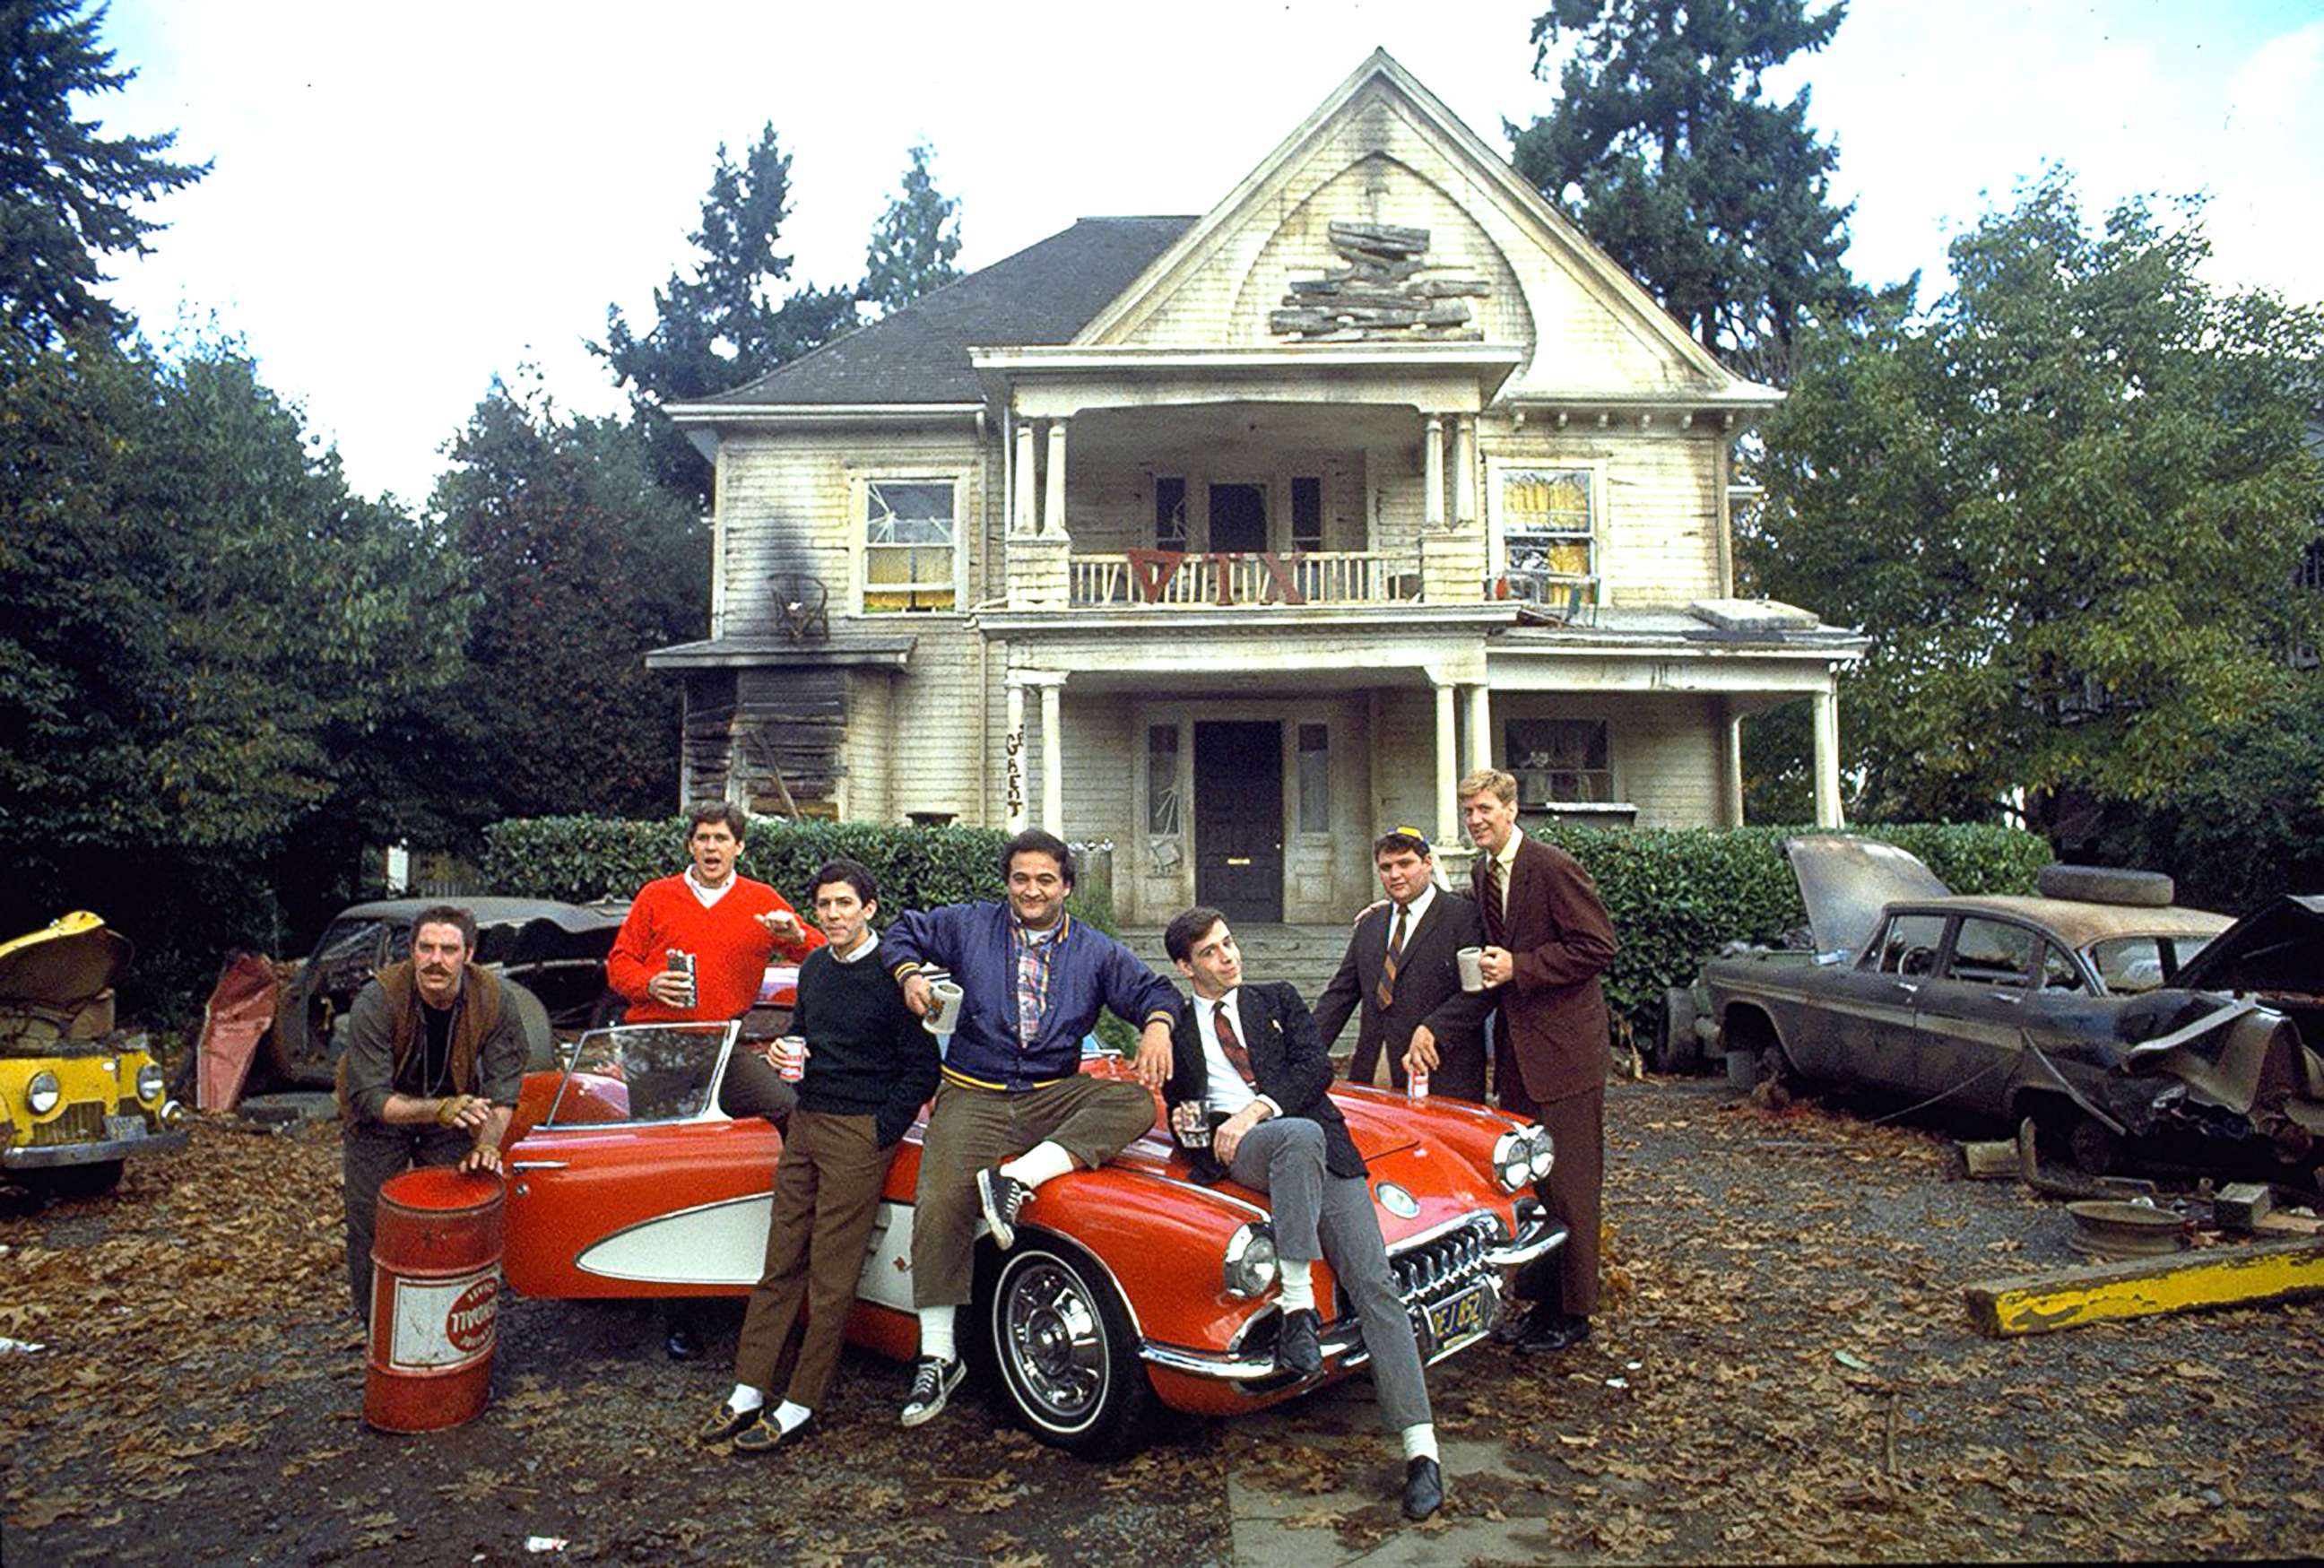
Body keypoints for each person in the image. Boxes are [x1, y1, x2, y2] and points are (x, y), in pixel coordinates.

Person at [882, 828, 1177, 1428]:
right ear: (1008, 882)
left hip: (1051, 1093)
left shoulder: (1094, 949)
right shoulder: (969, 925)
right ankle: (939, 1354)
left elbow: (1152, 989)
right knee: (940, 1199)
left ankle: (1017, 1176)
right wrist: (910, 974)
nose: (1033, 890)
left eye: (1046, 879)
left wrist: (1159, 1024)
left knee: (1137, 1105)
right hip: (973, 1090)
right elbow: (903, 929)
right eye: (1021, 878)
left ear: (1066, 884)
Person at [1163, 905, 1444, 1522]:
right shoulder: (1180, 1028)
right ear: (1185, 965)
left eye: (1230, 942)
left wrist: (1254, 1108)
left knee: (1377, 1286)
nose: (1229, 956)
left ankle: (1421, 1452)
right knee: (1296, 1139)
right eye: (1211, 951)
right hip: (1244, 1155)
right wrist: (1193, 1126)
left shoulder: (1277, 997)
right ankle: (1298, 1304)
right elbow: (1181, 1111)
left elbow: (1316, 1070)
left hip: (1311, 1145)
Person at [697, 859, 940, 1455]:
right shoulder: (812, 967)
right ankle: (751, 1385)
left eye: (843, 904)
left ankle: (801, 1400)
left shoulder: (893, 974)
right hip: (806, 1122)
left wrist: (881, 1131)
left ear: (869, 908)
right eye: (824, 905)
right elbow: (803, 1033)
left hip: (859, 1131)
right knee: (780, 1259)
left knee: (832, 1275)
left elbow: (923, 1068)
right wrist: (785, 1053)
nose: (832, 914)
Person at [607, 802, 826, 1358]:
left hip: (722, 1042)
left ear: (739, 848)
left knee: (787, 1110)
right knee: (671, 1169)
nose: (711, 848)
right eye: (702, 838)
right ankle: (677, 1311)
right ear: (689, 846)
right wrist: (652, 984)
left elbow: (823, 955)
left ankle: (788, 1247)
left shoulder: (759, 900)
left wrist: (795, 932)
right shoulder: (657, 895)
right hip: (658, 1044)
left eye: (722, 839)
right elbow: (618, 964)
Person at [1460, 767, 1618, 1355]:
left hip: (1567, 1053)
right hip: (1519, 1055)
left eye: (1484, 809)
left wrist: (1520, 968)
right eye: (1469, 811)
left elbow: (1597, 945)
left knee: (1572, 1185)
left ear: (1511, 808)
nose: (1476, 820)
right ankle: (1539, 1304)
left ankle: (1573, 1313)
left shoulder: (1551, 866)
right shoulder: (1482, 872)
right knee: (1530, 1184)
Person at [337, 905, 529, 1322]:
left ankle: (445, 1319)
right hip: (382, 1117)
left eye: (448, 949)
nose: (436, 960)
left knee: (451, 1214)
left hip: (454, 1108)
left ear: (469, 954)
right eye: (426, 948)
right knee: (372, 1219)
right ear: (412, 951)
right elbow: (371, 1098)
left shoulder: (495, 998)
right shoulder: (378, 999)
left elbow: (503, 1087)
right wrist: (437, 1110)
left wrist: (488, 1145)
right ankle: (380, 1327)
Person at [1314, 828, 1492, 1100]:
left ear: (1427, 863)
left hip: (1443, 1076)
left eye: (1405, 864)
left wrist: (1435, 1027)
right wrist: (1303, 1050)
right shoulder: (1370, 925)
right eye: (1386, 867)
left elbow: (1480, 993)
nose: (1395, 874)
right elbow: (1339, 997)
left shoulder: (1463, 917)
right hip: (1373, 1074)